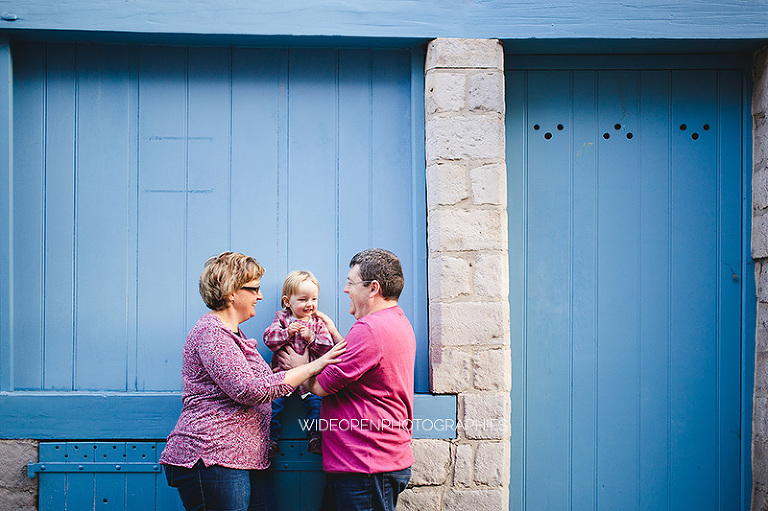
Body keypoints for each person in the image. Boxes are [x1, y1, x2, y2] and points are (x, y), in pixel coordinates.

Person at [159, 252, 346, 511]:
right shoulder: (211, 334)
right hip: (214, 456)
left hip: (243, 459)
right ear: (231, 292)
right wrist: (313, 366)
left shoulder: (233, 334)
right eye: (255, 289)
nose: (259, 296)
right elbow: (249, 390)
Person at [281, 248, 416, 511]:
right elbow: (361, 362)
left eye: (351, 283)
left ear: (373, 288)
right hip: (368, 462)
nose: (345, 290)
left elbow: (320, 386)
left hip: (365, 465)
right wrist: (332, 332)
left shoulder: (370, 329)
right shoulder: (395, 322)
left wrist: (301, 367)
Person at [263, 270, 335, 456]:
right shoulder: (282, 319)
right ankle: (271, 440)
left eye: (314, 299)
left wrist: (311, 338)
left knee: (317, 405)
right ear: (288, 302)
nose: (310, 304)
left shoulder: (318, 323)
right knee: (273, 406)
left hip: (309, 379)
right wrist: (287, 334)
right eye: (303, 300)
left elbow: (328, 348)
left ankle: (316, 437)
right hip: (283, 375)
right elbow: (268, 339)